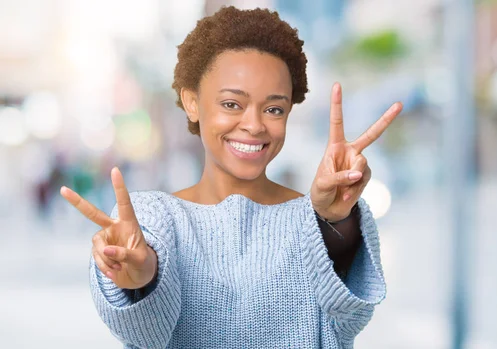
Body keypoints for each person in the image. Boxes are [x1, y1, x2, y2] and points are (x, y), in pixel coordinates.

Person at [60, 6, 402, 349]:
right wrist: (139, 277)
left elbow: (348, 316)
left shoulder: (312, 220)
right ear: (192, 102)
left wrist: (331, 218)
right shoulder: (155, 218)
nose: (254, 125)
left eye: (273, 109)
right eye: (231, 104)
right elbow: (145, 332)